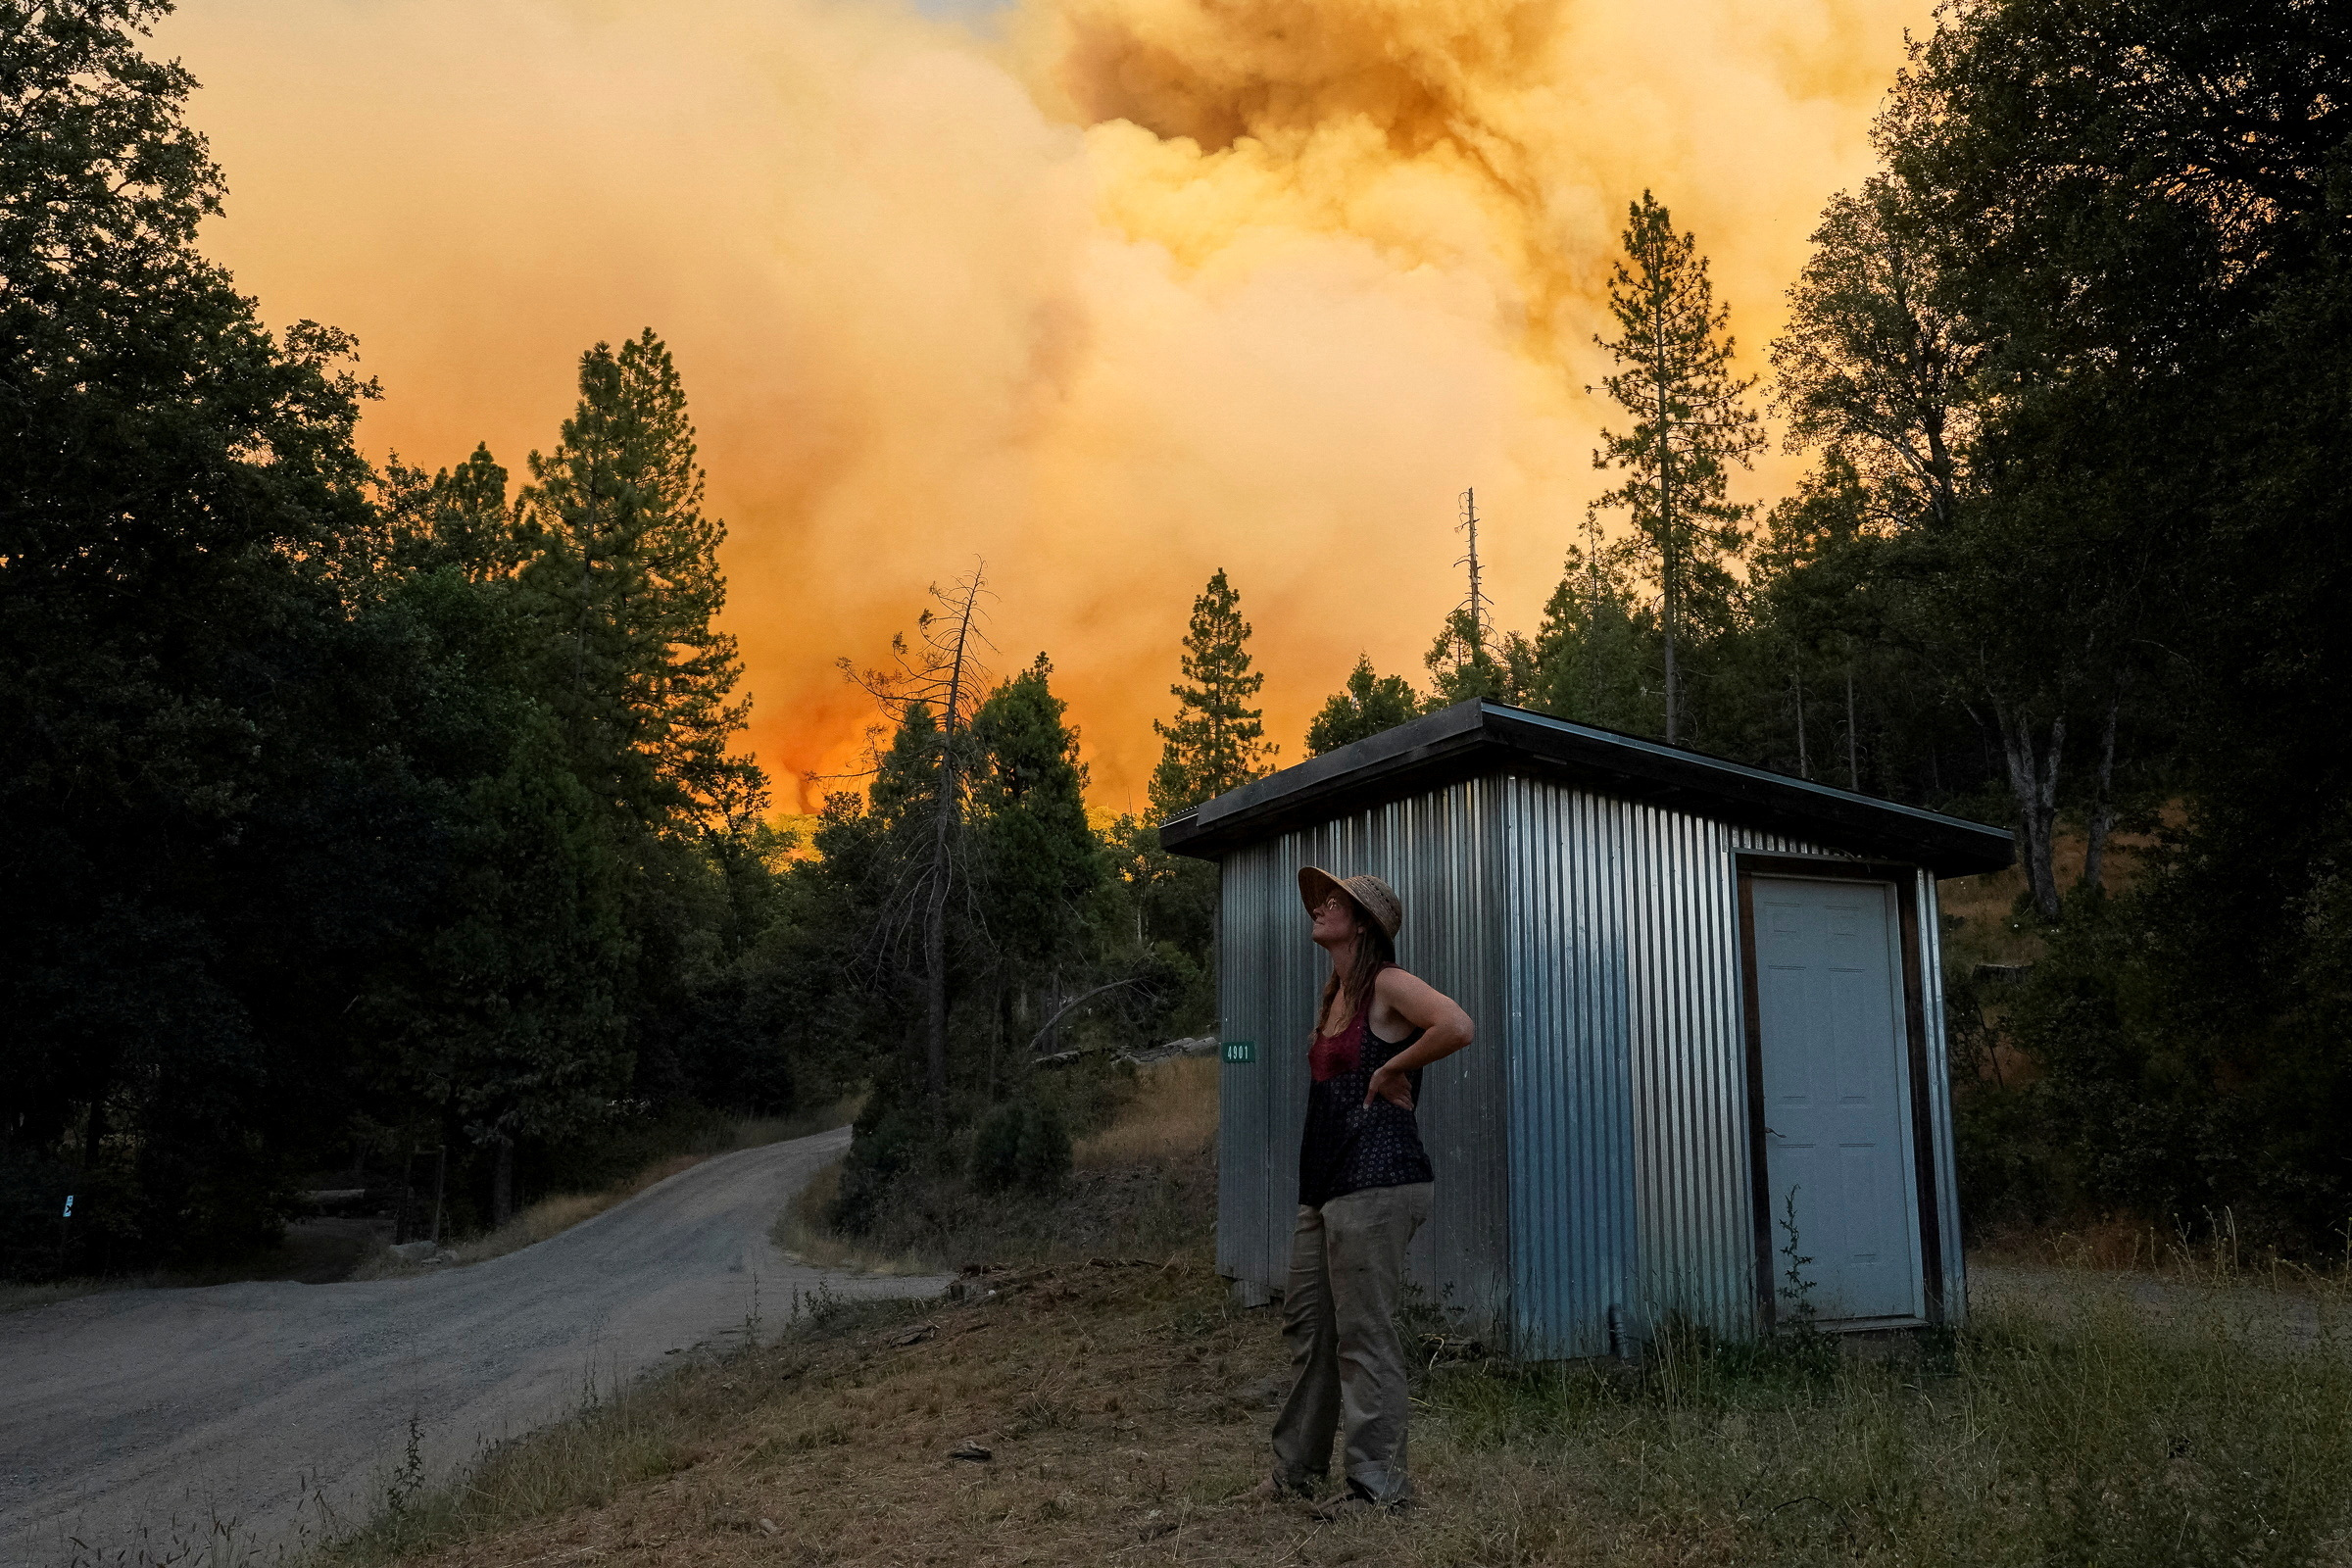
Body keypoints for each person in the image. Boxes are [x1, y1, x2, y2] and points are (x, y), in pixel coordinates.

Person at [1258, 865, 1475, 1518]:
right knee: (1310, 1328)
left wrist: (1392, 1066)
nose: (1320, 908)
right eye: (1322, 900)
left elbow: (1456, 1025)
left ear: (1361, 924)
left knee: (1362, 1336)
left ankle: (1380, 1493)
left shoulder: (1386, 983)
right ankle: (1293, 1474)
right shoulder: (1333, 994)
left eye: (1335, 903)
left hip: (1378, 1181)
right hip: (1327, 1185)